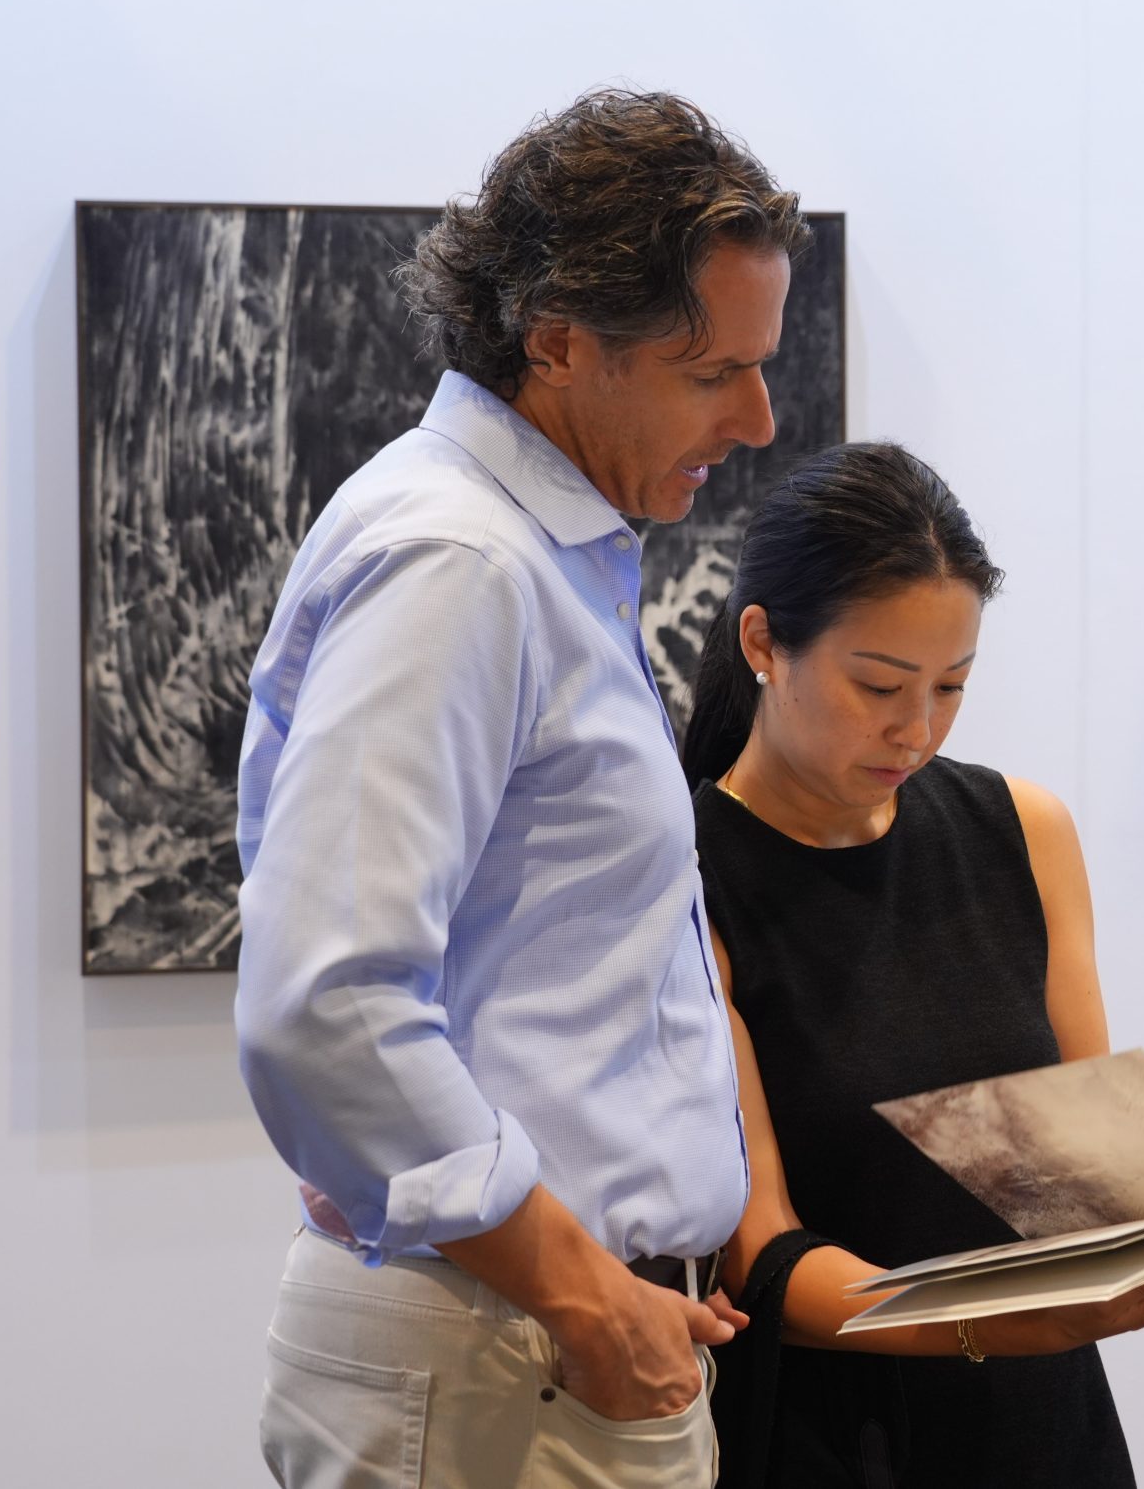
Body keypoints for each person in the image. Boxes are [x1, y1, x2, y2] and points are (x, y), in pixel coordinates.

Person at [233, 88, 804, 1489]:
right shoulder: (461, 560)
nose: (758, 415)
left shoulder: (532, 555)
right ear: (556, 340)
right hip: (506, 1352)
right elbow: (326, 1004)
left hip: (534, 1347)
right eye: (712, 369)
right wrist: (585, 1291)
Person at [680, 442, 1144, 1487]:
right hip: (843, 1437)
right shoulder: (688, 881)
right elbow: (764, 1255)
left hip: (1047, 1428)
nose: (918, 729)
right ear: (763, 643)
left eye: (952, 685)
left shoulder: (1022, 830)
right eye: (879, 685)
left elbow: (1080, 1169)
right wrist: (1002, 1324)